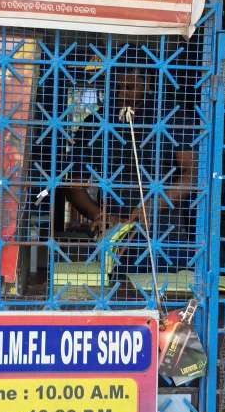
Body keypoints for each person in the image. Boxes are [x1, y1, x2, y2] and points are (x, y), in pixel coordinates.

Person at [64, 60, 196, 275]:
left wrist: (154, 206)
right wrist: (99, 215)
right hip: (114, 233)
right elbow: (72, 185)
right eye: (117, 87)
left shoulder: (173, 118)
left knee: (167, 288)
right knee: (115, 288)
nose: (122, 94)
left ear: (148, 83)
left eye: (130, 87)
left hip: (165, 232)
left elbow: (193, 175)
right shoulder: (95, 123)